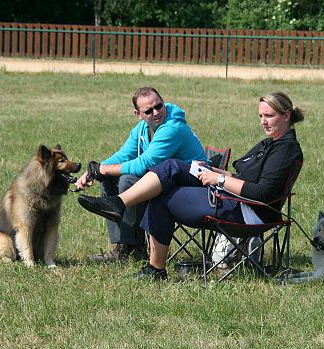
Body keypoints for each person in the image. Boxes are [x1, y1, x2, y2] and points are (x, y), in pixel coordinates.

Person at [78, 92, 304, 280]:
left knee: (163, 195)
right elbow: (242, 176)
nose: (263, 121)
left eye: (269, 116)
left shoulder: (286, 150)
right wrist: (214, 171)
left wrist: (219, 180)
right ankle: (122, 211)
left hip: (249, 212)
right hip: (230, 197)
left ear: (286, 116)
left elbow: (262, 193)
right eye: (261, 115)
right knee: (171, 167)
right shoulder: (269, 143)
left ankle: (153, 265)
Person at [76, 87, 207, 263]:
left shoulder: (172, 128)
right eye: (149, 111)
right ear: (138, 114)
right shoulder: (141, 130)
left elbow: (144, 164)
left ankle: (134, 249)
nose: (156, 112)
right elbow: (123, 155)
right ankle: (123, 245)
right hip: (164, 180)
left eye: (159, 106)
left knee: (128, 179)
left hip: (192, 186)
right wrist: (94, 171)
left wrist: (103, 169)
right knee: (109, 178)